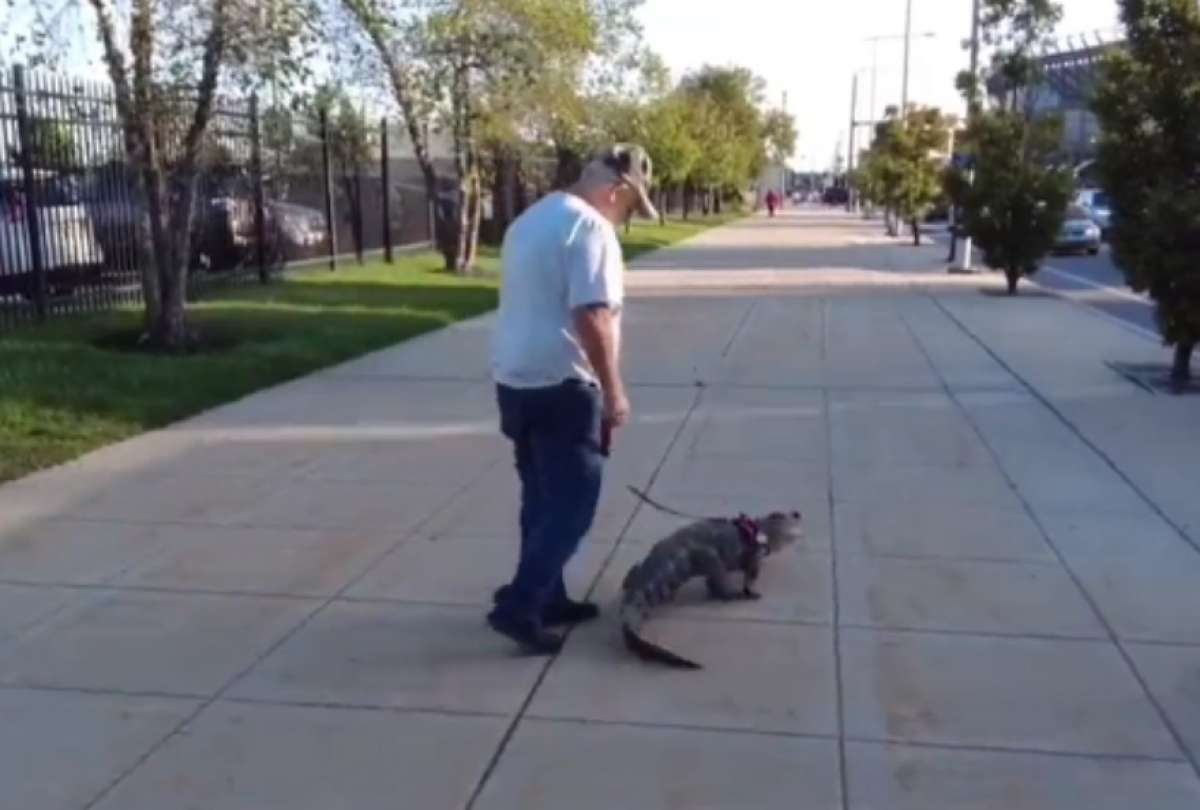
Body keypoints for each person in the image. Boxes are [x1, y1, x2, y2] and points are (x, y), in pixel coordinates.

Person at [487, 143, 658, 654]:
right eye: (629, 206)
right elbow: (592, 315)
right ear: (616, 189)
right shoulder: (590, 228)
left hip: (515, 380)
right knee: (572, 507)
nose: (624, 218)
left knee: (540, 498)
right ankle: (520, 606)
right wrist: (614, 391)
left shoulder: (531, 219)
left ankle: (548, 595)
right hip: (565, 383)